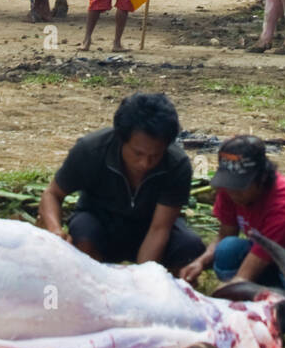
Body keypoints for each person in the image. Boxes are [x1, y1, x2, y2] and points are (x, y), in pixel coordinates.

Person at [38, 93, 205, 273]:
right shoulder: (91, 150)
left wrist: (144, 279)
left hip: (150, 227)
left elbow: (159, 229)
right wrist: (55, 230)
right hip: (100, 223)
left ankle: (170, 293)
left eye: (155, 155)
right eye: (138, 154)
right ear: (120, 138)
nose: (145, 164)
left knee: (189, 247)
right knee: (83, 233)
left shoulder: (176, 164)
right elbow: (52, 194)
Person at [178, 135, 285, 297]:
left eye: (240, 187)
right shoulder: (228, 191)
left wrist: (231, 289)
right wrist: (200, 262)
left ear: (262, 178)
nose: (233, 193)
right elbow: (224, 235)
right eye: (230, 185)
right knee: (227, 248)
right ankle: (258, 300)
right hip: (270, 265)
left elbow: (256, 260)